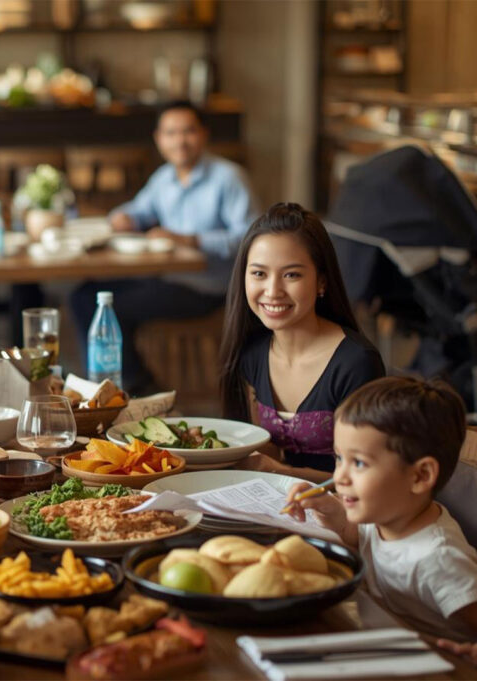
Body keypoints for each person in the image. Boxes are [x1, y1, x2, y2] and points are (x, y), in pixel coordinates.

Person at [69, 100, 259, 393]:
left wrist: (191, 240)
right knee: (85, 296)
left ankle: (134, 387)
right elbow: (140, 210)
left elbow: (251, 237)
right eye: (171, 133)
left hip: (207, 288)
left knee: (113, 307)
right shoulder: (164, 178)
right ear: (159, 139)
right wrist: (124, 217)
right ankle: (104, 385)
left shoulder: (228, 178)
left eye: (188, 132)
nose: (180, 141)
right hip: (167, 276)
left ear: (204, 134)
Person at [284, 376, 477, 640]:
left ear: (420, 476)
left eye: (359, 463)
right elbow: (357, 534)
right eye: (339, 458)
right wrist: (330, 508)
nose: (339, 476)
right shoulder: (388, 514)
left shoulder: (438, 560)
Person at [219, 203, 385, 482]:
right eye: (259, 273)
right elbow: (263, 453)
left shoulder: (356, 362)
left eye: (291, 275)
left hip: (346, 514)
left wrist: (281, 472)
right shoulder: (251, 353)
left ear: (321, 282)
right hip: (280, 504)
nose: (272, 292)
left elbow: (365, 476)